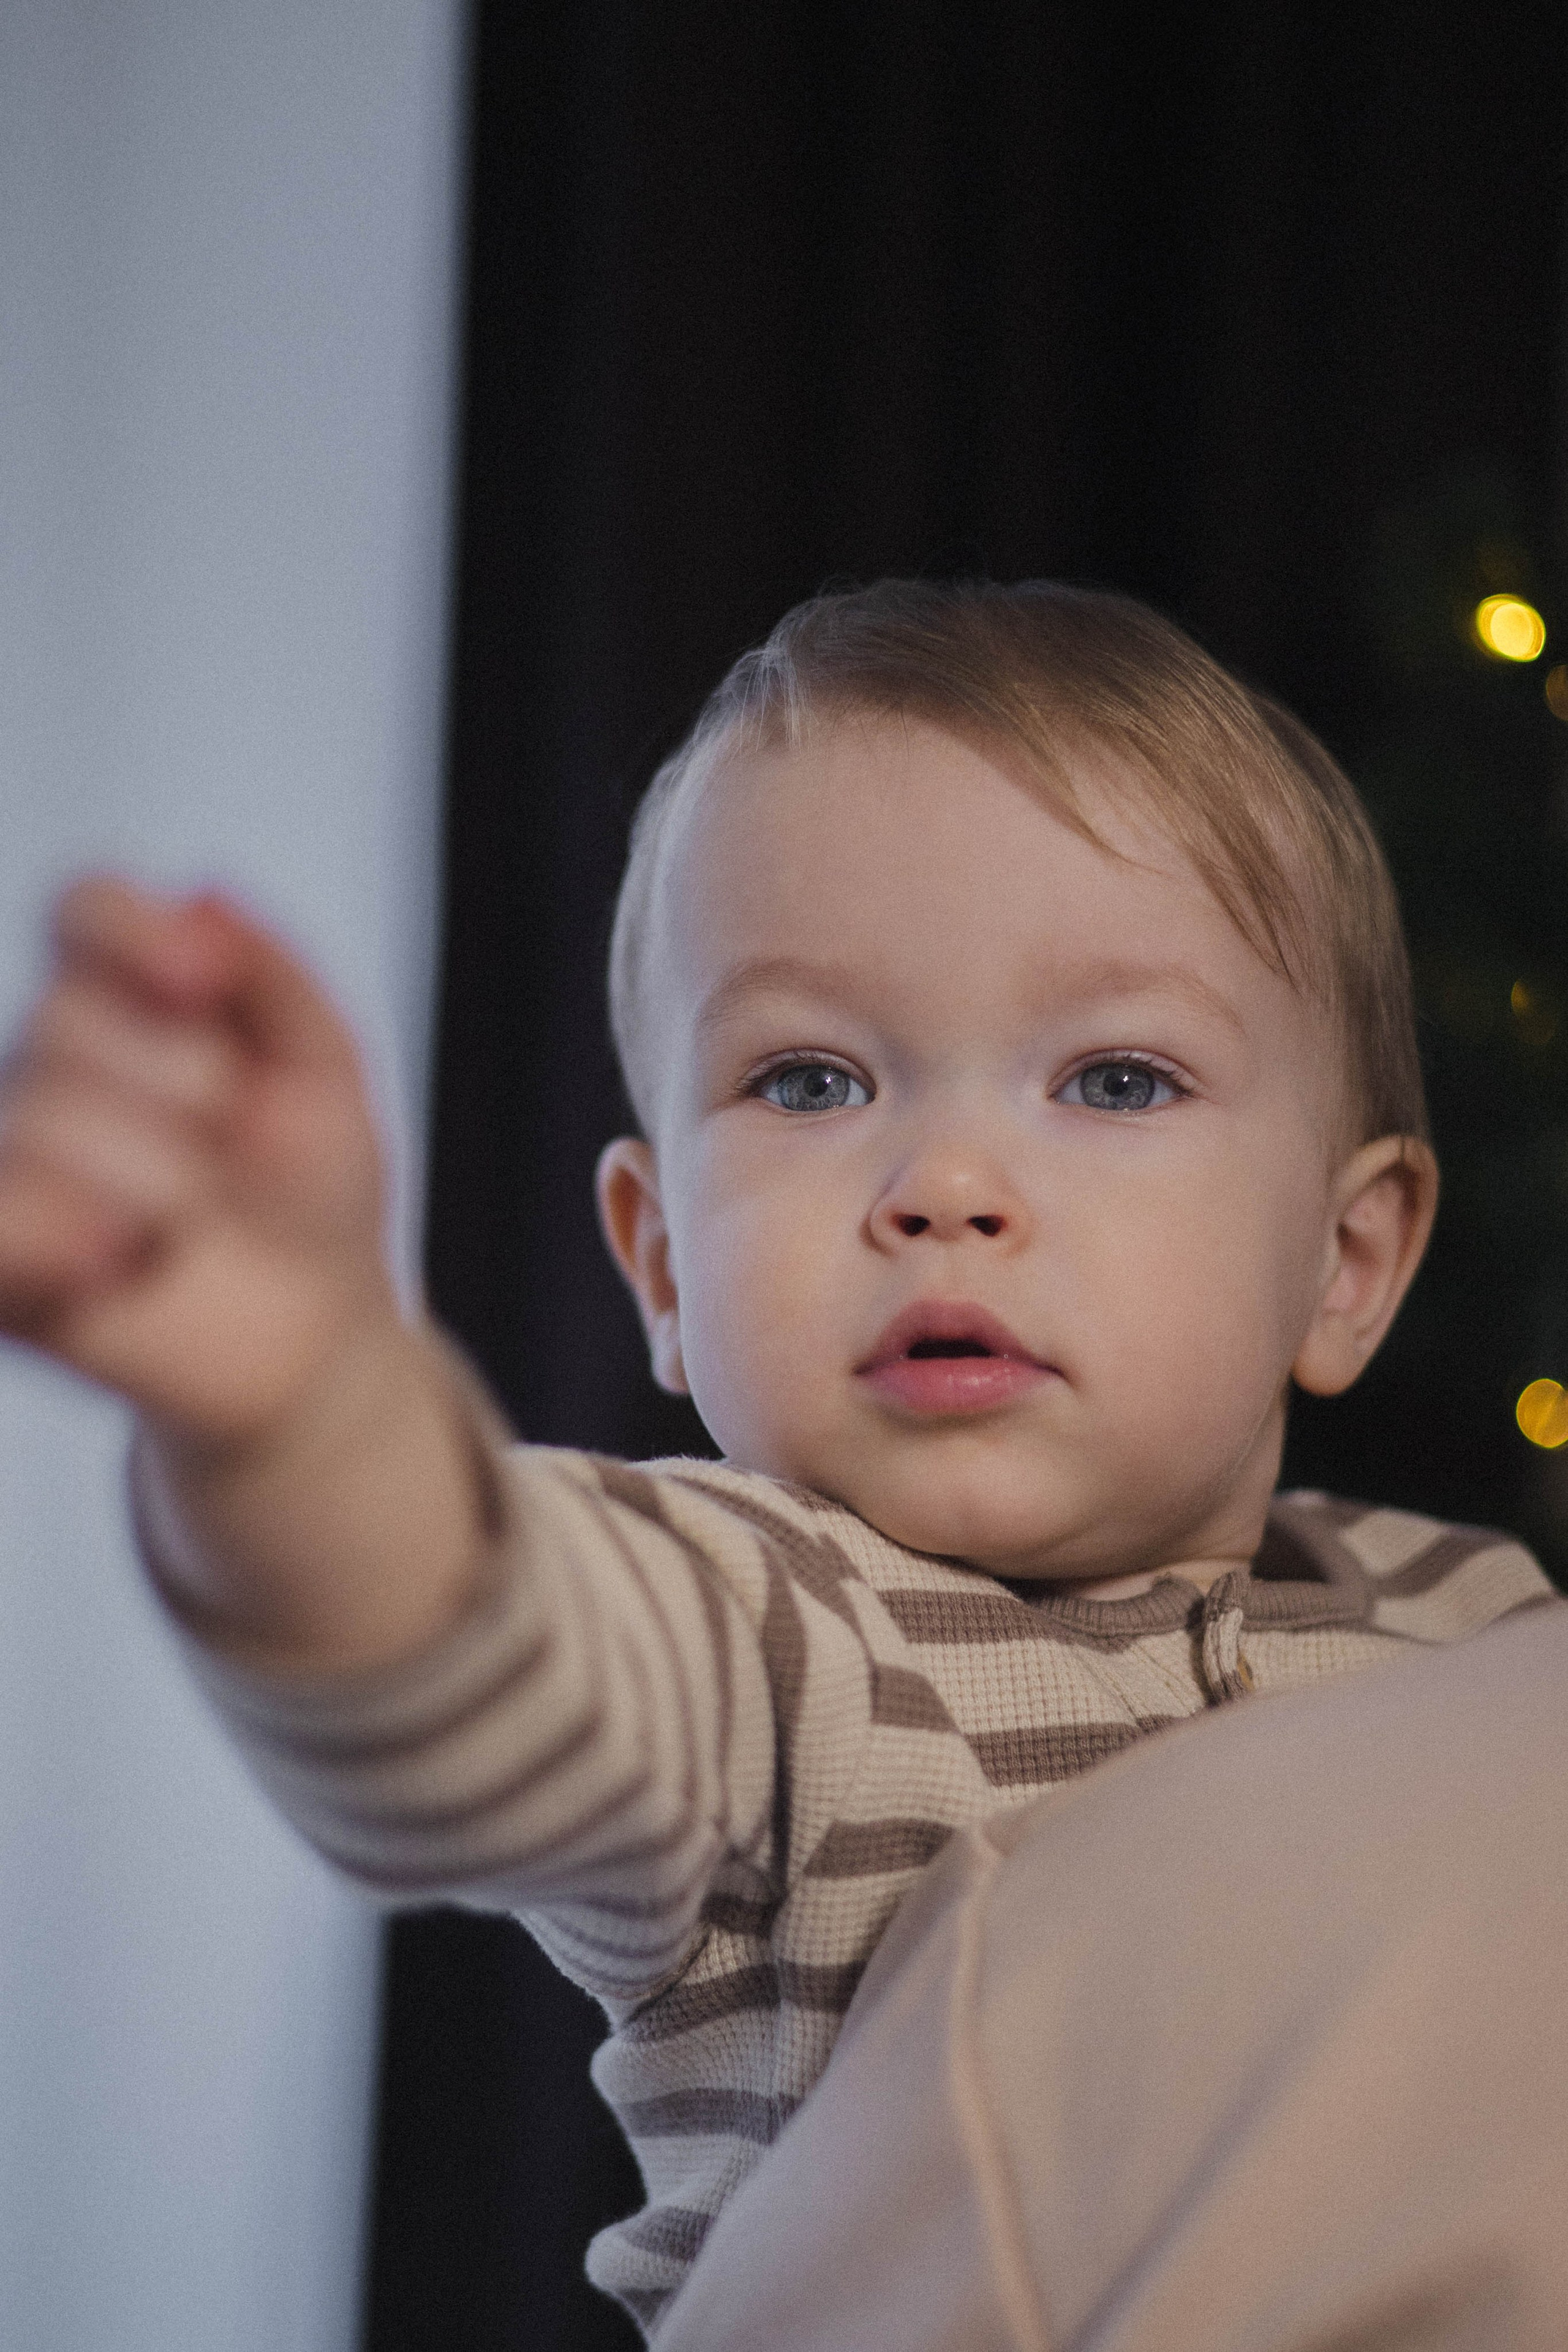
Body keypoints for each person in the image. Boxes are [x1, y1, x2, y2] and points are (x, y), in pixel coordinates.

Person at [0, 581, 1556, 2342]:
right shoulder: (766, 1635)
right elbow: (475, 1654)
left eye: (1116, 1082)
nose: (949, 1185)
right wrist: (296, 1415)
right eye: (810, 1082)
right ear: (661, 1267)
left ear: (1344, 1264)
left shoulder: (1482, 1628)